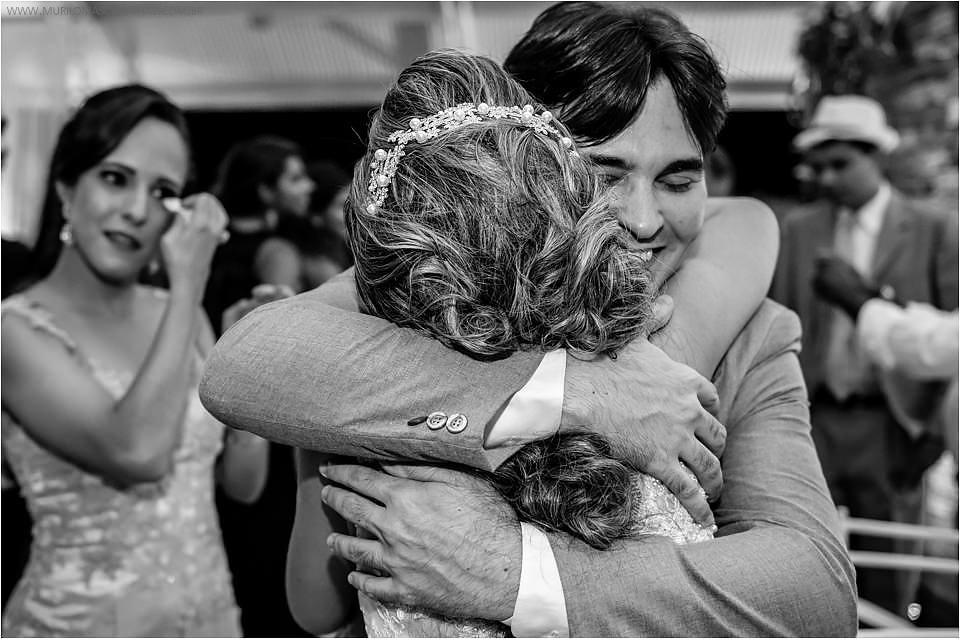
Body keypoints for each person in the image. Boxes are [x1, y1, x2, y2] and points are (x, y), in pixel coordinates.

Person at [201, 3, 857, 636]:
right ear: (515, 165)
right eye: (604, 174)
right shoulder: (423, 301)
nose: (643, 220)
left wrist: (518, 574)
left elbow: (815, 595)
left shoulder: (752, 331)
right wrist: (575, 391)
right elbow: (247, 364)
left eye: (679, 181)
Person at [0, 84, 272, 636]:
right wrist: (189, 282)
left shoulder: (179, 315)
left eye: (162, 190)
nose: (137, 210)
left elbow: (242, 484)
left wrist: (249, 367)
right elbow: (137, 452)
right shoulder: (16, 331)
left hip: (211, 614)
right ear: (66, 189)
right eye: (114, 178)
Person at [771, 93, 958, 613]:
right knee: (803, 560)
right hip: (815, 420)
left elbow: (947, 340)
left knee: (890, 572)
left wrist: (931, 438)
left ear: (876, 157)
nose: (827, 178)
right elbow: (781, 322)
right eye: (819, 167)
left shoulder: (934, 227)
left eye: (840, 164)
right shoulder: (800, 228)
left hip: (891, 425)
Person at [203, 136, 315, 334]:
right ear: (266, 191)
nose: (309, 186)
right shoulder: (277, 252)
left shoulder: (209, 236)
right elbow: (280, 330)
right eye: (296, 179)